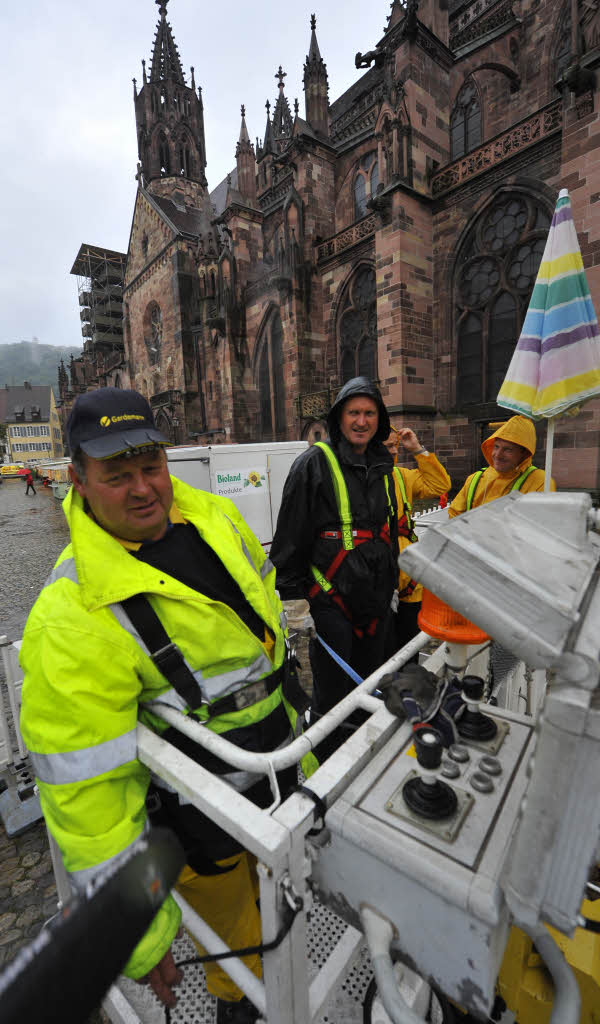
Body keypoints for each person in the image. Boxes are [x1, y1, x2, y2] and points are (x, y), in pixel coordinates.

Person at [19, 387, 304, 1024]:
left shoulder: (212, 516)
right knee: (237, 942)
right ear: (78, 480)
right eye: (117, 476)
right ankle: (240, 1006)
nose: (143, 489)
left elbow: (262, 621)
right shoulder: (71, 620)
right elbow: (88, 797)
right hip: (202, 819)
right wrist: (139, 938)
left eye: (151, 467)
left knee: (279, 894)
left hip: (282, 770)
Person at [270, 376, 400, 769]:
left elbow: (387, 527)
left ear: (380, 419)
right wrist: (297, 603)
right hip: (330, 601)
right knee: (333, 694)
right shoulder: (313, 464)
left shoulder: (382, 464)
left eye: (369, 413)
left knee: (372, 683)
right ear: (339, 418)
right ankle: (326, 767)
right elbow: (290, 537)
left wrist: (391, 582)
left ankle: (364, 760)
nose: (361, 421)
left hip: (376, 598)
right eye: (353, 413)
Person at [382, 426, 451, 653]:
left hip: (410, 583)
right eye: (386, 446)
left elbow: (439, 485)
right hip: (381, 583)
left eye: (395, 446)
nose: (393, 451)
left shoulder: (402, 477)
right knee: (383, 653)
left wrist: (417, 449)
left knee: (409, 649)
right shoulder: (358, 481)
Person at [448, 415, 555, 518]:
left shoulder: (542, 482)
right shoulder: (474, 479)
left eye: (508, 450)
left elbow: (540, 525)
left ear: (524, 453)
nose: (497, 455)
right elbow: (454, 515)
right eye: (496, 447)